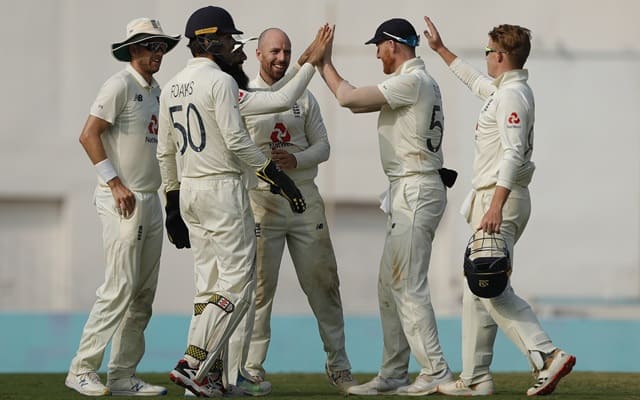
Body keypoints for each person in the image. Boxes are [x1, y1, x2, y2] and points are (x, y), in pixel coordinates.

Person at [157, 6, 319, 397]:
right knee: (238, 286)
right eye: (229, 39)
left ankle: (208, 377)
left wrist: (172, 203)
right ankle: (194, 362)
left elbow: (165, 153)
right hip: (222, 189)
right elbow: (236, 141)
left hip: (191, 189)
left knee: (207, 287)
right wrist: (276, 174)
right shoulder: (221, 82)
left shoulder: (172, 85)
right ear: (209, 41)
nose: (234, 46)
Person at [422, 16, 576, 396]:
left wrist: (495, 205)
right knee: (477, 290)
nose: (486, 57)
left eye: (489, 52)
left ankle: (546, 354)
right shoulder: (504, 89)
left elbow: (511, 154)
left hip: (499, 200)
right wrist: (441, 50)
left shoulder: (511, 97)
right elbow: (475, 81)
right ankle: (476, 377)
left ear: (503, 56)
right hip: (494, 198)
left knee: (490, 285)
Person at [317, 19, 455, 396]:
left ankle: (436, 371)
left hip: (416, 189)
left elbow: (348, 99)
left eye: (378, 46)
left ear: (393, 45)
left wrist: (322, 63)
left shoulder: (411, 81)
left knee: (407, 285)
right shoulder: (417, 82)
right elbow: (359, 107)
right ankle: (394, 372)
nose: (377, 53)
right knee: (388, 287)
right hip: (408, 189)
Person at [225, 27, 357, 396]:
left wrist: (295, 158)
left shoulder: (305, 97)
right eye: (274, 52)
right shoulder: (242, 95)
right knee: (259, 290)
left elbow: (323, 147)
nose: (281, 58)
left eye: (287, 51)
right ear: (258, 54)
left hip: (304, 199)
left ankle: (339, 366)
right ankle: (250, 369)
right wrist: (268, 166)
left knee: (324, 284)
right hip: (261, 201)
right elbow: (236, 149)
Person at [66, 18, 180, 397]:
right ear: (133, 50)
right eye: (150, 46)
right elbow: (88, 134)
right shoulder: (119, 84)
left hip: (149, 199)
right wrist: (114, 183)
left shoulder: (157, 91)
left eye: (161, 46)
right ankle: (81, 368)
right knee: (119, 287)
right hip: (122, 199)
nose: (157, 53)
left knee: (143, 294)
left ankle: (122, 374)